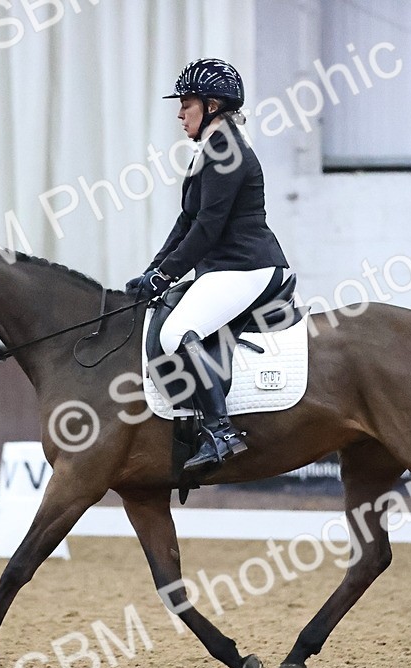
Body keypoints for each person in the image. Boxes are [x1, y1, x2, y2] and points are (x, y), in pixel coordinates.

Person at [125, 58, 291, 474]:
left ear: (212, 104)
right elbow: (186, 222)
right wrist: (153, 270)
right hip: (225, 268)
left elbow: (208, 229)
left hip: (246, 267)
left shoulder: (226, 150)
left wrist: (166, 274)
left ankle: (220, 432)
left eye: (187, 104)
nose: (180, 114)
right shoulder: (212, 148)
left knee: (178, 332)